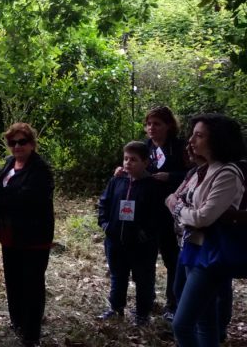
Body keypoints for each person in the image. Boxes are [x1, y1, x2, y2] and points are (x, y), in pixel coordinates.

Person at [168, 113, 246, 346]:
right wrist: (181, 207)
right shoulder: (201, 170)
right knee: (205, 322)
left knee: (182, 325)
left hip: (210, 255)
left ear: (217, 140)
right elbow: (172, 197)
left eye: (199, 135)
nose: (191, 140)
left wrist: (179, 208)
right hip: (192, 248)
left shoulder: (227, 173)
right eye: (192, 134)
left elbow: (202, 217)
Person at [116, 106, 189, 319]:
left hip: (170, 210)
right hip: (145, 210)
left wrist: (171, 177)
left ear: (168, 125)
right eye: (148, 124)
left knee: (172, 258)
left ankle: (173, 303)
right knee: (144, 259)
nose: (151, 128)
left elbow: (193, 174)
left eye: (157, 123)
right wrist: (122, 171)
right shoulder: (144, 147)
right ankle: (146, 301)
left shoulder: (179, 147)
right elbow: (131, 166)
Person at [0, 123, 54, 347]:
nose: (17, 146)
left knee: (32, 284)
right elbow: (1, 189)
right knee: (13, 280)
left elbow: (30, 200)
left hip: (33, 236)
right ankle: (17, 321)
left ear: (31, 144)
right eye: (12, 142)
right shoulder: (10, 163)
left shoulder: (40, 169)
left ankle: (32, 333)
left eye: (22, 142)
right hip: (10, 235)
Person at [97, 141, 165, 326]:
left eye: (133, 160)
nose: (128, 163)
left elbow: (157, 214)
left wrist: (145, 233)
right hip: (115, 240)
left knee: (143, 278)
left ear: (145, 162)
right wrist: (104, 224)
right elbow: (104, 202)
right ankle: (115, 307)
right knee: (118, 275)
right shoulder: (117, 180)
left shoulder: (152, 185)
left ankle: (143, 313)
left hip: (141, 245)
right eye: (126, 159)